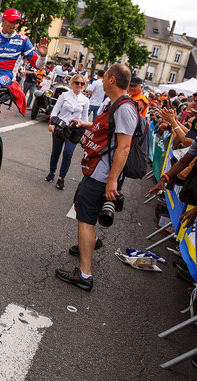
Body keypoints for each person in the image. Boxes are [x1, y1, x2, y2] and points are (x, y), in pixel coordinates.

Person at [55, 63, 138, 291]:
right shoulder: (116, 105)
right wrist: (86, 124)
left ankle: (85, 274)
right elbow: (111, 131)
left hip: (101, 175)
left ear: (112, 80)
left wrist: (112, 180)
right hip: (97, 171)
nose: (100, 81)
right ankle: (90, 244)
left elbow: (124, 147)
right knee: (82, 210)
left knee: (86, 219)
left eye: (104, 77)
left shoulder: (124, 107)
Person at [0, 8, 48, 89]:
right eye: (11, 22)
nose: (14, 25)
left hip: (6, 77)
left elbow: (38, 66)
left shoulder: (23, 40)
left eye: (17, 23)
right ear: (3, 20)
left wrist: (43, 56)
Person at [46, 73, 90, 190]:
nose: (79, 85)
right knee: (56, 152)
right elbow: (55, 110)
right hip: (60, 127)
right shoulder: (64, 95)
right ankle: (52, 172)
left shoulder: (85, 100)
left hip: (74, 131)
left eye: (82, 83)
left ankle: (61, 178)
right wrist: (51, 123)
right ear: (72, 83)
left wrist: (83, 133)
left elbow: (85, 118)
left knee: (68, 154)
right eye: (77, 83)